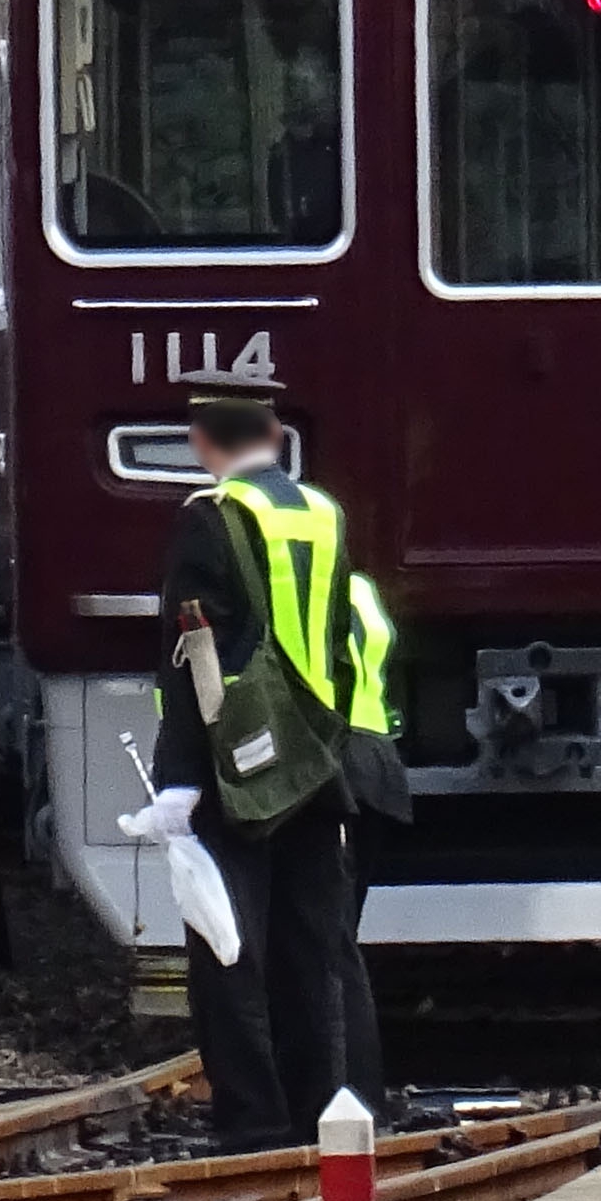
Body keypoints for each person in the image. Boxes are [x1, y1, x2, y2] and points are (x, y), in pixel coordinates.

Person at [145, 383, 393, 1147]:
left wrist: (180, 779)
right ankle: (336, 1109)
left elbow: (196, 657)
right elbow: (338, 638)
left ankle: (253, 1117)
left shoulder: (211, 518)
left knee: (227, 942)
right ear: (277, 434)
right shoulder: (322, 514)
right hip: (319, 754)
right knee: (316, 944)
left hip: (239, 764)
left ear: (201, 441)